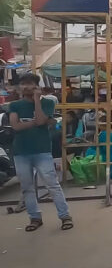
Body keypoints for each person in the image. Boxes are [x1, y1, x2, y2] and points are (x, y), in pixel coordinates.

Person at [9, 73, 73, 232]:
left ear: (37, 86)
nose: (26, 87)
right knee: (27, 187)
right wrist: (38, 122)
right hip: (20, 152)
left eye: (30, 83)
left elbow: (40, 120)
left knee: (52, 185)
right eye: (23, 84)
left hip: (42, 150)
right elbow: (16, 126)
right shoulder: (14, 105)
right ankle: (35, 218)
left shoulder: (48, 102)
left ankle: (65, 216)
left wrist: (37, 101)